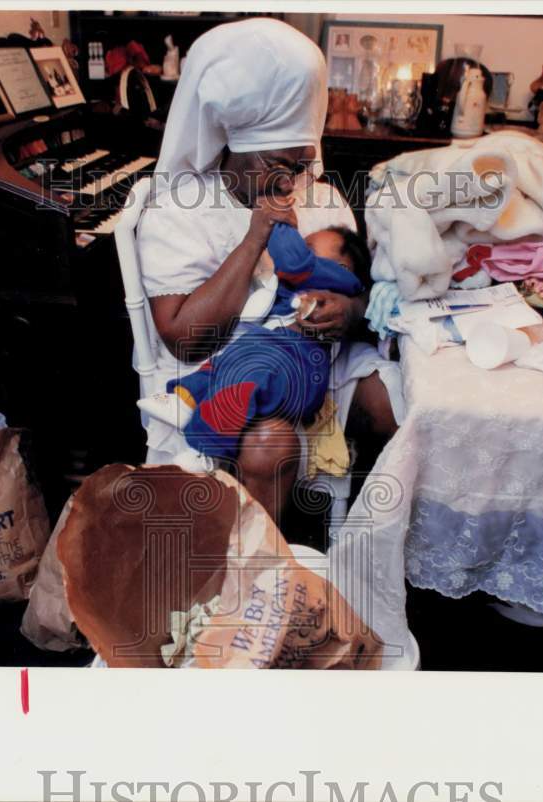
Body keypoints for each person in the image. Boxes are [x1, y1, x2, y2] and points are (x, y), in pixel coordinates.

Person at [136, 18, 404, 522]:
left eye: (304, 161)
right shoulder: (180, 210)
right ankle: (258, 574)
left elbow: (368, 297)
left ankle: (366, 545)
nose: (298, 177)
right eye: (284, 161)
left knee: (400, 406)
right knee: (269, 444)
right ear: (238, 144)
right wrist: (255, 235)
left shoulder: (321, 198)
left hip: (316, 360)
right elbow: (183, 338)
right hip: (226, 370)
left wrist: (346, 310)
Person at [137, 223, 367, 467]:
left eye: (308, 248)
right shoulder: (294, 287)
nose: (300, 249)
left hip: (298, 370)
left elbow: (293, 261)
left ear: (341, 269)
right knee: (222, 364)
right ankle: (185, 398)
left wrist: (279, 224)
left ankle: (206, 453)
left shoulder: (333, 282)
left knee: (243, 381)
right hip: (269, 351)